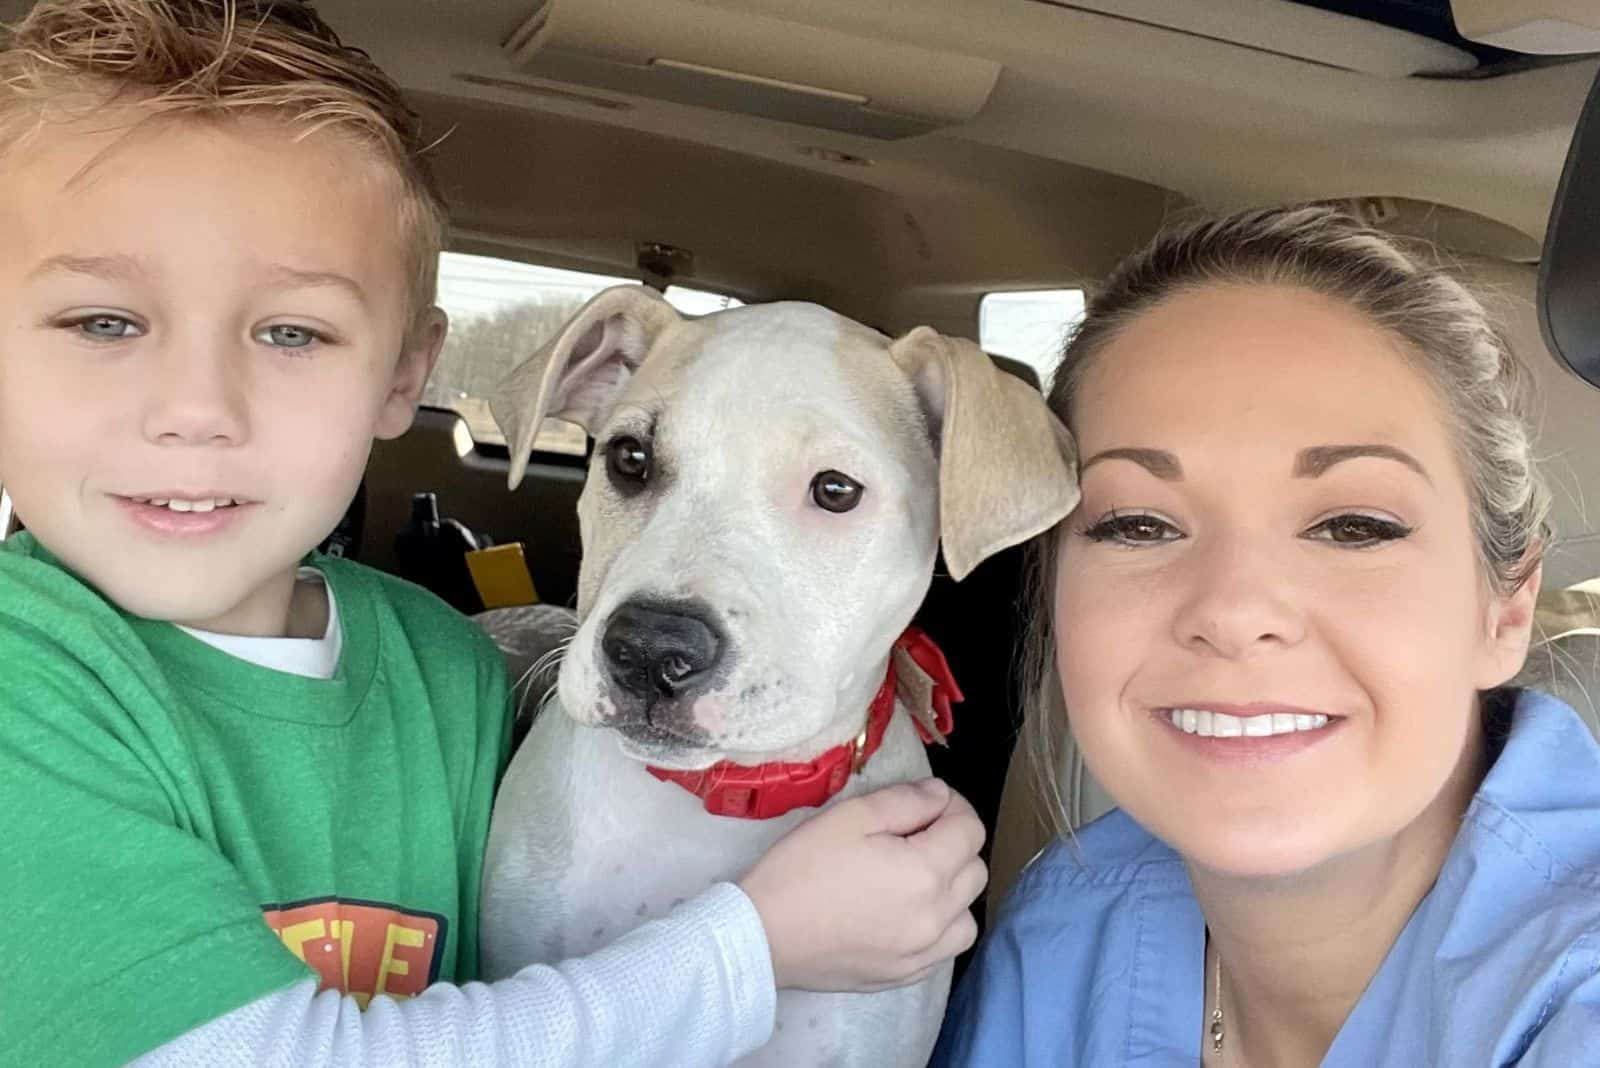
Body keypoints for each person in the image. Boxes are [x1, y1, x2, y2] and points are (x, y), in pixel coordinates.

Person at [0, 3, 985, 1065]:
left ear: (406, 378)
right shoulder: (25, 683)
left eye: (292, 332)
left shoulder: (445, 668)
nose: (195, 408)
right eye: (104, 321)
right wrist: (759, 945)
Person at [933, 205, 1600, 1065]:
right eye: (1138, 524)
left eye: (1353, 525)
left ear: (1504, 610)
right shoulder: (1067, 932)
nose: (1233, 609)